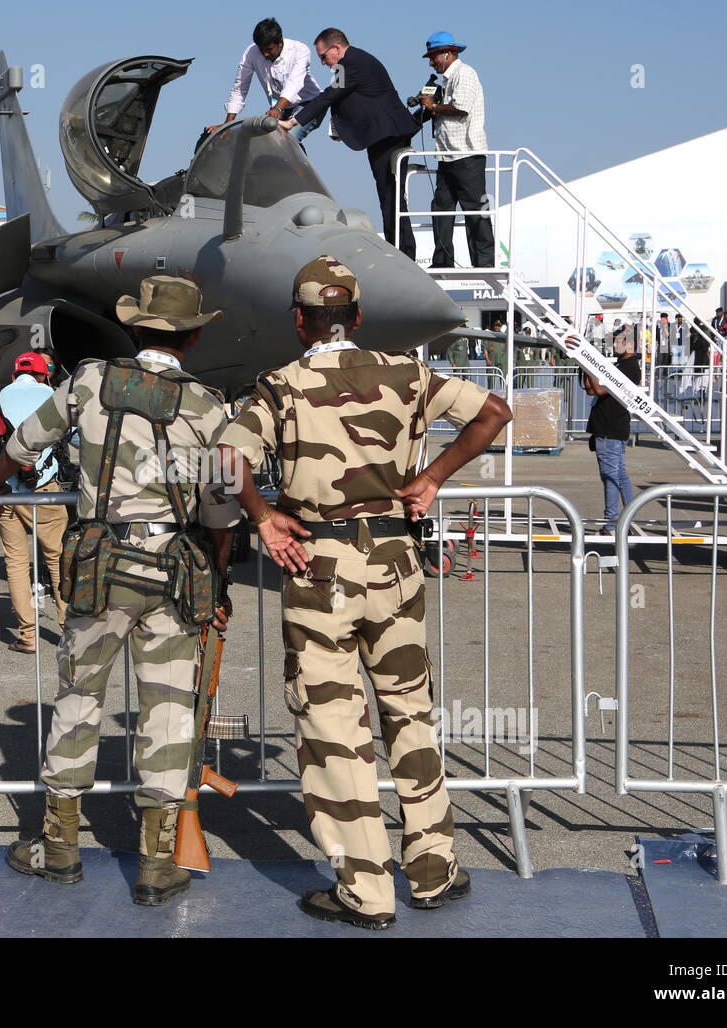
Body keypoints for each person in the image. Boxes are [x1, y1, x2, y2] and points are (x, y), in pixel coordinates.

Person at [217, 255, 511, 928]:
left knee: (334, 728)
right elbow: (493, 412)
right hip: (396, 564)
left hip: (320, 571)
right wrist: (432, 476)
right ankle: (434, 869)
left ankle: (368, 891)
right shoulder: (408, 372)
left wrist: (263, 517)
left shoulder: (281, 385)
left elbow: (228, 457)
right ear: (357, 316)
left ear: (300, 321)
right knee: (410, 713)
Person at [0, 275, 240, 905]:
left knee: (77, 701)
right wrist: (217, 576)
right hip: (174, 572)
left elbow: (24, 440)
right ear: (194, 335)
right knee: (169, 711)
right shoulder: (208, 406)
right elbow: (222, 507)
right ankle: (156, 863)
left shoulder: (90, 381)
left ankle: (59, 847)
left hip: (99, 568)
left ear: (135, 328)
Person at [280, 29, 421, 257]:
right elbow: (347, 98)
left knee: (391, 196)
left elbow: (330, 95)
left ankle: (403, 253)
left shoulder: (350, 62)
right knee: (388, 195)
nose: (323, 63)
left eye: (323, 57)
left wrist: (294, 121)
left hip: (389, 134)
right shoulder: (353, 62)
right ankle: (400, 249)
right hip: (382, 135)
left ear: (336, 48)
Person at [0, 352, 71, 654]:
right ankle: (68, 629)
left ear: (15, 375)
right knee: (58, 560)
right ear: (44, 375)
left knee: (15, 563)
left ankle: (27, 636)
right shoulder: (51, 395)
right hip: (44, 490)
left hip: (5, 491)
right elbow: (73, 437)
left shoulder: (1, 396)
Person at [415, 32, 494, 269]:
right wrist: (432, 105)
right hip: (447, 155)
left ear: (447, 54)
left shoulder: (465, 74)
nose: (431, 62)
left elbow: (461, 108)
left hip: (467, 155)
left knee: (476, 212)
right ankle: (442, 261)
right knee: (441, 209)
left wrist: (433, 105)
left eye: (433, 57)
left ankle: (484, 264)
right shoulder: (449, 80)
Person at [207, 18, 323, 144]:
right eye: (261, 50)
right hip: (281, 107)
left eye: (269, 49)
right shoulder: (251, 53)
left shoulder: (300, 50)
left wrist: (278, 109)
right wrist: (227, 126)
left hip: (310, 104)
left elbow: (294, 84)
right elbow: (240, 88)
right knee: (265, 142)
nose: (265, 54)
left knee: (287, 139)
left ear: (280, 42)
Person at [583, 338, 641, 533]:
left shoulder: (630, 368)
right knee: (619, 475)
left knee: (611, 477)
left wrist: (587, 361)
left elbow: (599, 389)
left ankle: (612, 523)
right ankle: (625, 519)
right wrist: (586, 367)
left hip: (611, 429)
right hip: (610, 429)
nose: (615, 345)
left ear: (632, 345)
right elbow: (591, 389)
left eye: (620, 341)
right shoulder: (622, 365)